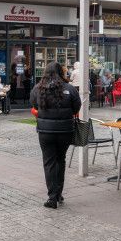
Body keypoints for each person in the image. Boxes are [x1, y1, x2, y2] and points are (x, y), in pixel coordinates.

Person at [30, 62, 81, 209]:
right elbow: (76, 108)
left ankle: (52, 197)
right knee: (61, 160)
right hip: (65, 131)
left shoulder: (38, 89)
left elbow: (34, 104)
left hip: (45, 132)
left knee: (49, 162)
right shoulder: (70, 89)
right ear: (61, 72)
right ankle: (58, 194)